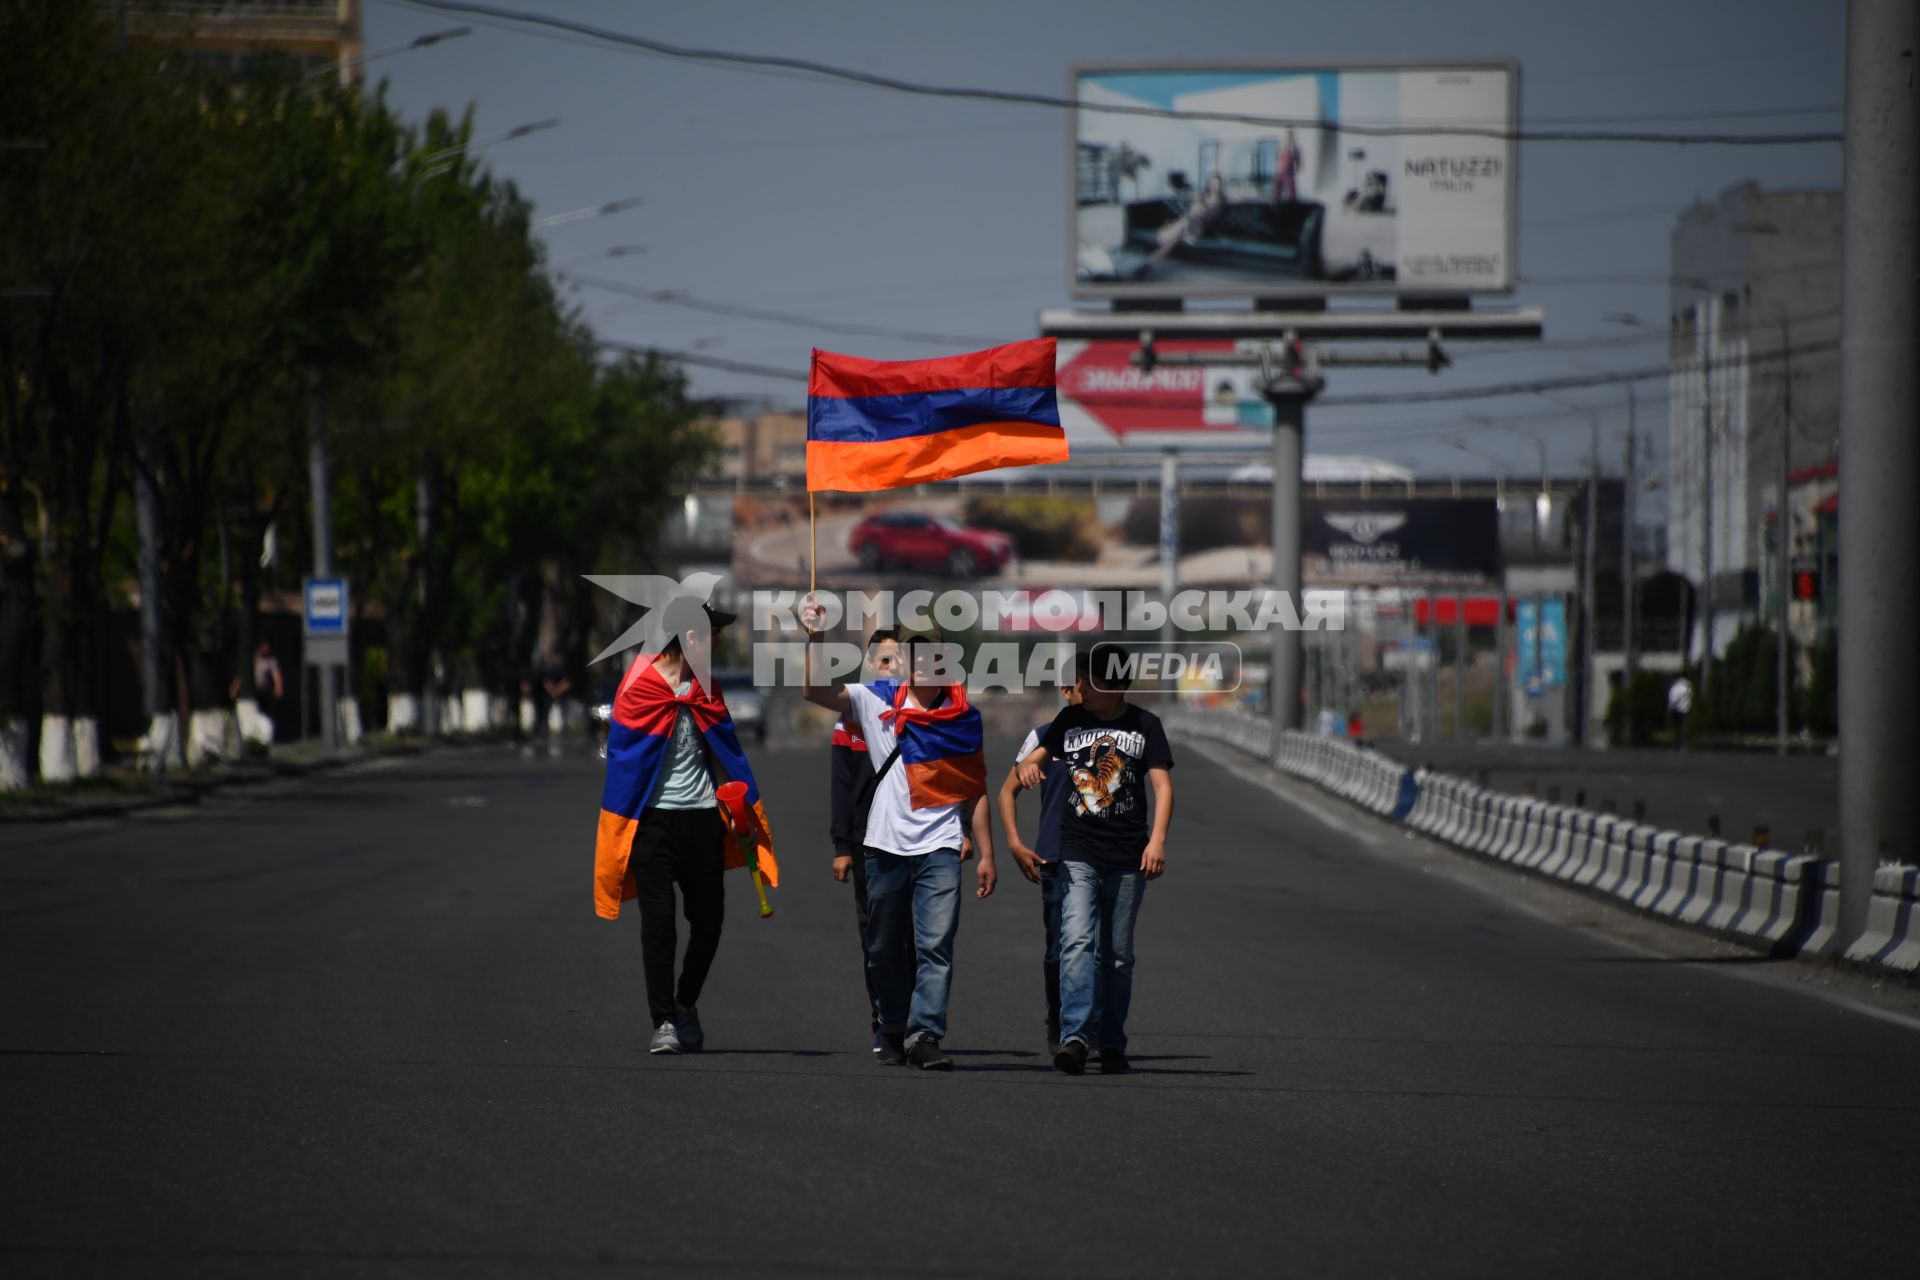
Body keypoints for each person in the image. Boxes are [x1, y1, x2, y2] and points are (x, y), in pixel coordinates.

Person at [802, 607, 995, 1070]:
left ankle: (924, 1034)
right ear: (904, 660)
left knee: (935, 946)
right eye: (913, 651)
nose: (922, 658)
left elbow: (973, 788)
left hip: (941, 845)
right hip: (885, 845)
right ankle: (891, 1024)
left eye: (931, 650)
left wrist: (986, 851)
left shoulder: (961, 713)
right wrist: (817, 637)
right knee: (883, 946)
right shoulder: (875, 699)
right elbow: (813, 690)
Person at [592, 599, 777, 1055]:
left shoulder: (706, 689)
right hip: (651, 821)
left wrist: (741, 814)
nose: (719, 641)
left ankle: (686, 1001)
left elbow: (724, 753)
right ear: (691, 638)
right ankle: (664, 1021)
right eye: (713, 633)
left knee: (709, 923)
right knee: (659, 924)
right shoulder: (637, 687)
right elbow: (622, 760)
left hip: (701, 818)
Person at [1017, 642, 1173, 1076]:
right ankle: (1075, 1038)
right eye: (1081, 678)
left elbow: (1162, 787)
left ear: (1117, 685)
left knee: (1117, 955)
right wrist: (1031, 766)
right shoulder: (1070, 719)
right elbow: (1035, 757)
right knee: (1077, 942)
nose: (1081, 687)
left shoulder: (1146, 726)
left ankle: (1112, 1041)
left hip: (1127, 855)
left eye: (1090, 680)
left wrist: (1156, 841)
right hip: (1077, 851)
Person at [998, 651, 1085, 1058]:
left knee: (1097, 948)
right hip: (1053, 857)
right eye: (1083, 686)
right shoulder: (1043, 737)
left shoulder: (1117, 736)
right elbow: (1006, 792)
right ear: (1067, 691)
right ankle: (1059, 1019)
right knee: (1059, 948)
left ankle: (1089, 1028)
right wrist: (1015, 843)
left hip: (1104, 855)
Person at [828, 628, 902, 1057]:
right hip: (863, 839)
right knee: (875, 935)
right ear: (873, 664)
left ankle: (909, 1019)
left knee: (912, 933)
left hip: (908, 836)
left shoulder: (919, 712)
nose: (893, 668)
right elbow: (840, 783)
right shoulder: (851, 716)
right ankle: (882, 1018)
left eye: (900, 660)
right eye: (886, 660)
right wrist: (841, 846)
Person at [1273, 129, 1302, 204]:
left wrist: (1296, 170)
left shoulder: (1295, 149)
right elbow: (1277, 159)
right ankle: (1276, 204)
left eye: (1289, 136)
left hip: (1289, 173)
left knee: (1291, 193)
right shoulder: (1281, 148)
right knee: (1277, 192)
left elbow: (1298, 163)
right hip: (1280, 172)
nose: (1287, 138)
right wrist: (1278, 168)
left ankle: (1292, 204)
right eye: (1286, 136)